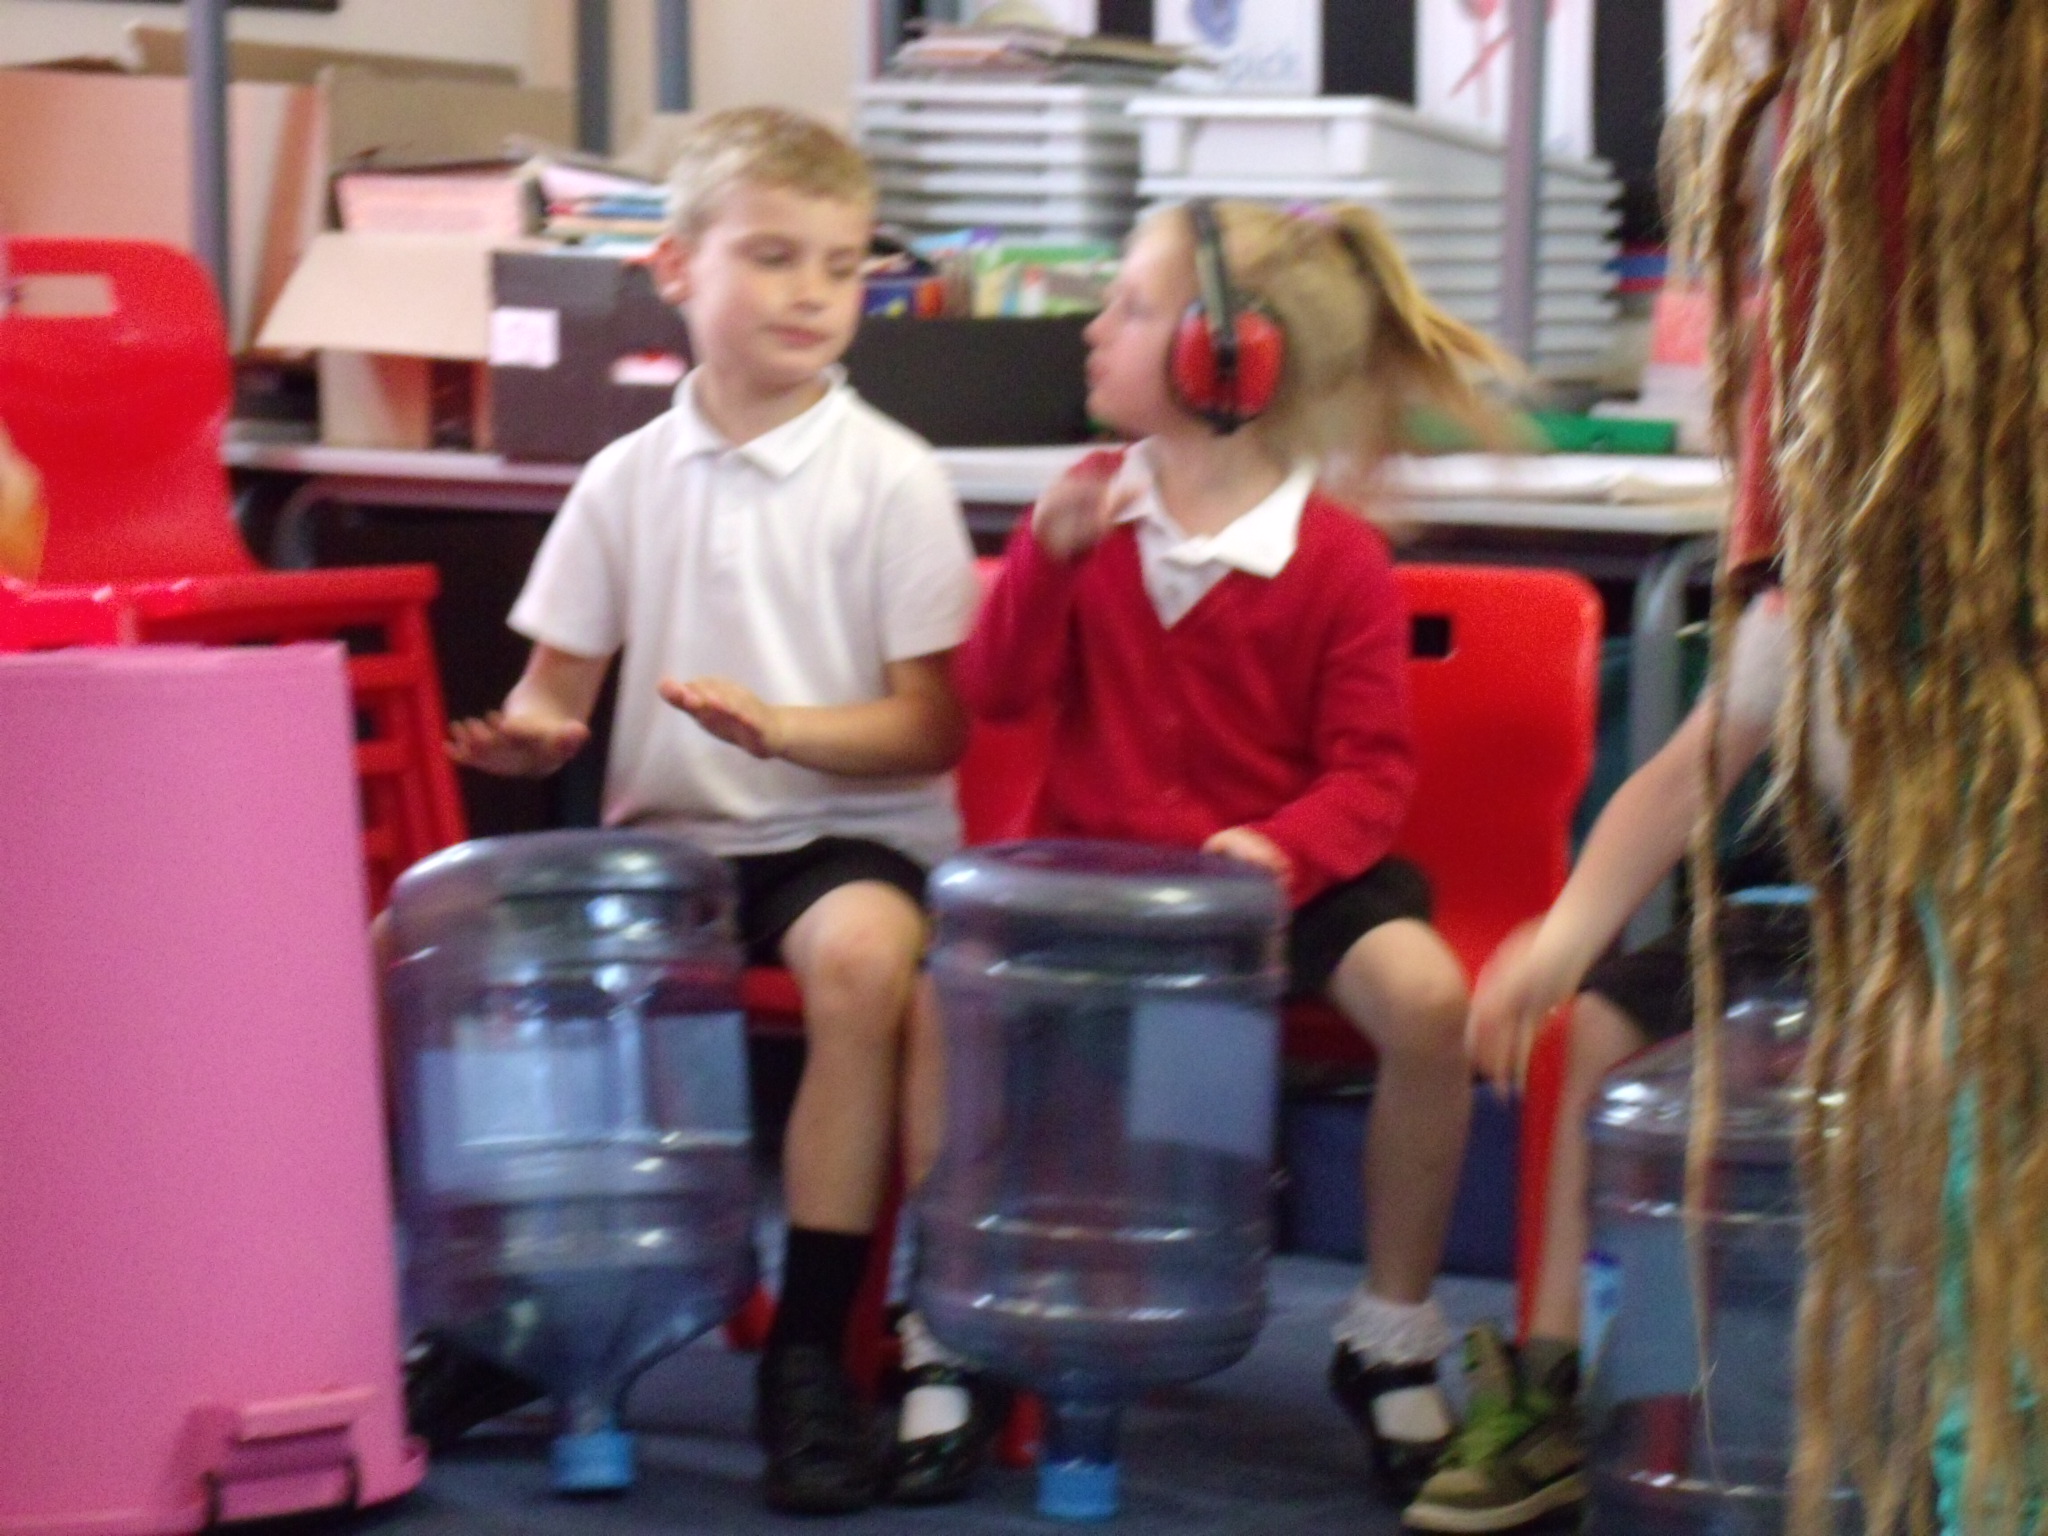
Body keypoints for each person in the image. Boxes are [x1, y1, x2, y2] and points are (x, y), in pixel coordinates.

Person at [435, 105, 988, 1515]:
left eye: (842, 263)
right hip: (671, 845)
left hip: (844, 832)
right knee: (495, 952)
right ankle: (535, 1316)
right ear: (677, 269)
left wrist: (784, 727)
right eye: (775, 256)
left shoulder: (894, 477)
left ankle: (809, 1352)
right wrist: (525, 737)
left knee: (865, 958)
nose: (814, 292)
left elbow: (929, 725)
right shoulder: (625, 477)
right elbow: (562, 691)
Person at [955, 197, 1510, 1503]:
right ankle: (958, 1319)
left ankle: (1388, 1333)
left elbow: (1372, 774)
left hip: (1286, 872)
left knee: (1428, 1000)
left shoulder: (1335, 561)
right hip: (1112, 878)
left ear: (1228, 356)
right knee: (960, 995)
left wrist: (1281, 851)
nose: (1096, 328)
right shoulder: (1085, 514)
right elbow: (995, 691)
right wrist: (1038, 562)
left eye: (1131, 307)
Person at [1400, 576, 1820, 1532]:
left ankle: (1929, 1419)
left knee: (1916, 1061)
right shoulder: (1804, 611)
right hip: (1825, 898)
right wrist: (1562, 941)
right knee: (1609, 1028)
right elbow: (1684, 775)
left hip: (1975, 919)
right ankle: (1572, 1385)